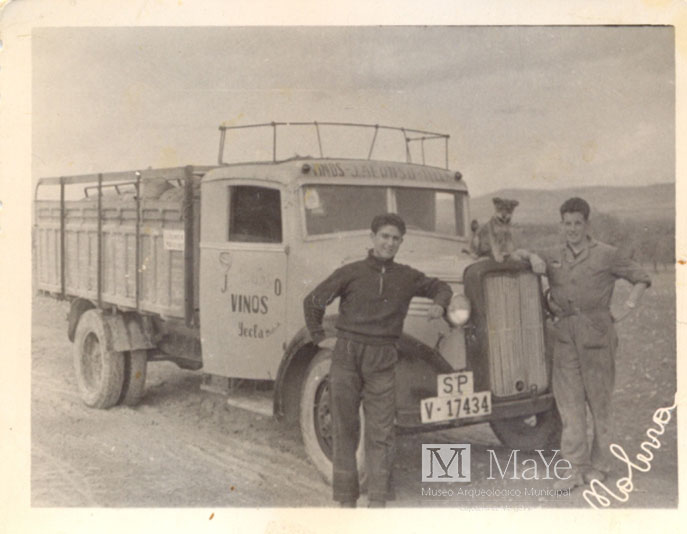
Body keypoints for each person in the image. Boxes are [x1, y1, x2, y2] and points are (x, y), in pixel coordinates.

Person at [303, 213, 452, 507]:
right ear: (372, 238)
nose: (389, 243)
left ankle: (378, 502)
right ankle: (346, 500)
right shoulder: (351, 272)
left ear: (401, 243)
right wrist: (319, 337)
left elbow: (441, 288)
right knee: (343, 427)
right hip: (347, 356)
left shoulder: (407, 276)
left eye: (395, 239)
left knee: (381, 431)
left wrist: (439, 304)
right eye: (384, 236)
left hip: (383, 359)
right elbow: (313, 301)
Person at [518, 197, 651, 490]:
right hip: (565, 336)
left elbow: (641, 278)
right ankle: (575, 469)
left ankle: (600, 466)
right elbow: (519, 250)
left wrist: (625, 308)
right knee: (570, 407)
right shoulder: (554, 254)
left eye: (578, 223)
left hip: (597, 336)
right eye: (567, 223)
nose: (573, 229)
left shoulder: (607, 254)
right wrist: (531, 257)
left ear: (587, 224)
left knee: (600, 404)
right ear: (561, 225)